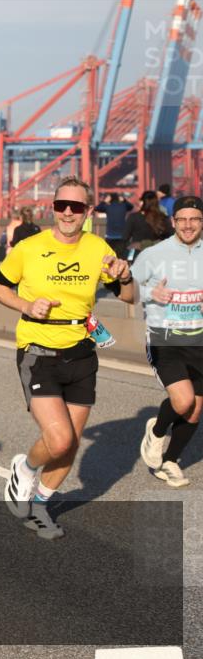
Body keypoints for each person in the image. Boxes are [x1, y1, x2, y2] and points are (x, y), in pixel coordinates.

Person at [0, 176, 135, 539]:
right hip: (38, 350)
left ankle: (40, 505)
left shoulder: (98, 247)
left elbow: (129, 296)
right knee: (59, 440)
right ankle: (24, 469)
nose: (68, 213)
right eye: (61, 206)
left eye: (77, 207)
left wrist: (126, 275)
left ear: (88, 211)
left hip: (83, 351)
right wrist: (25, 304)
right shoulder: (29, 247)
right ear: (52, 208)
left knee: (71, 440)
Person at [133, 195, 203, 487]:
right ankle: (157, 431)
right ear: (174, 222)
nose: (188, 226)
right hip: (165, 338)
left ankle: (171, 462)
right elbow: (130, 290)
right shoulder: (154, 254)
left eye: (195, 220)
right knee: (183, 400)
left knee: (196, 408)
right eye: (182, 220)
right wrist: (151, 294)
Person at [124, 190, 173, 263]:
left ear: (143, 202)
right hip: (158, 255)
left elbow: (125, 237)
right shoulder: (163, 218)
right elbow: (170, 236)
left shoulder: (134, 217)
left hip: (139, 254)